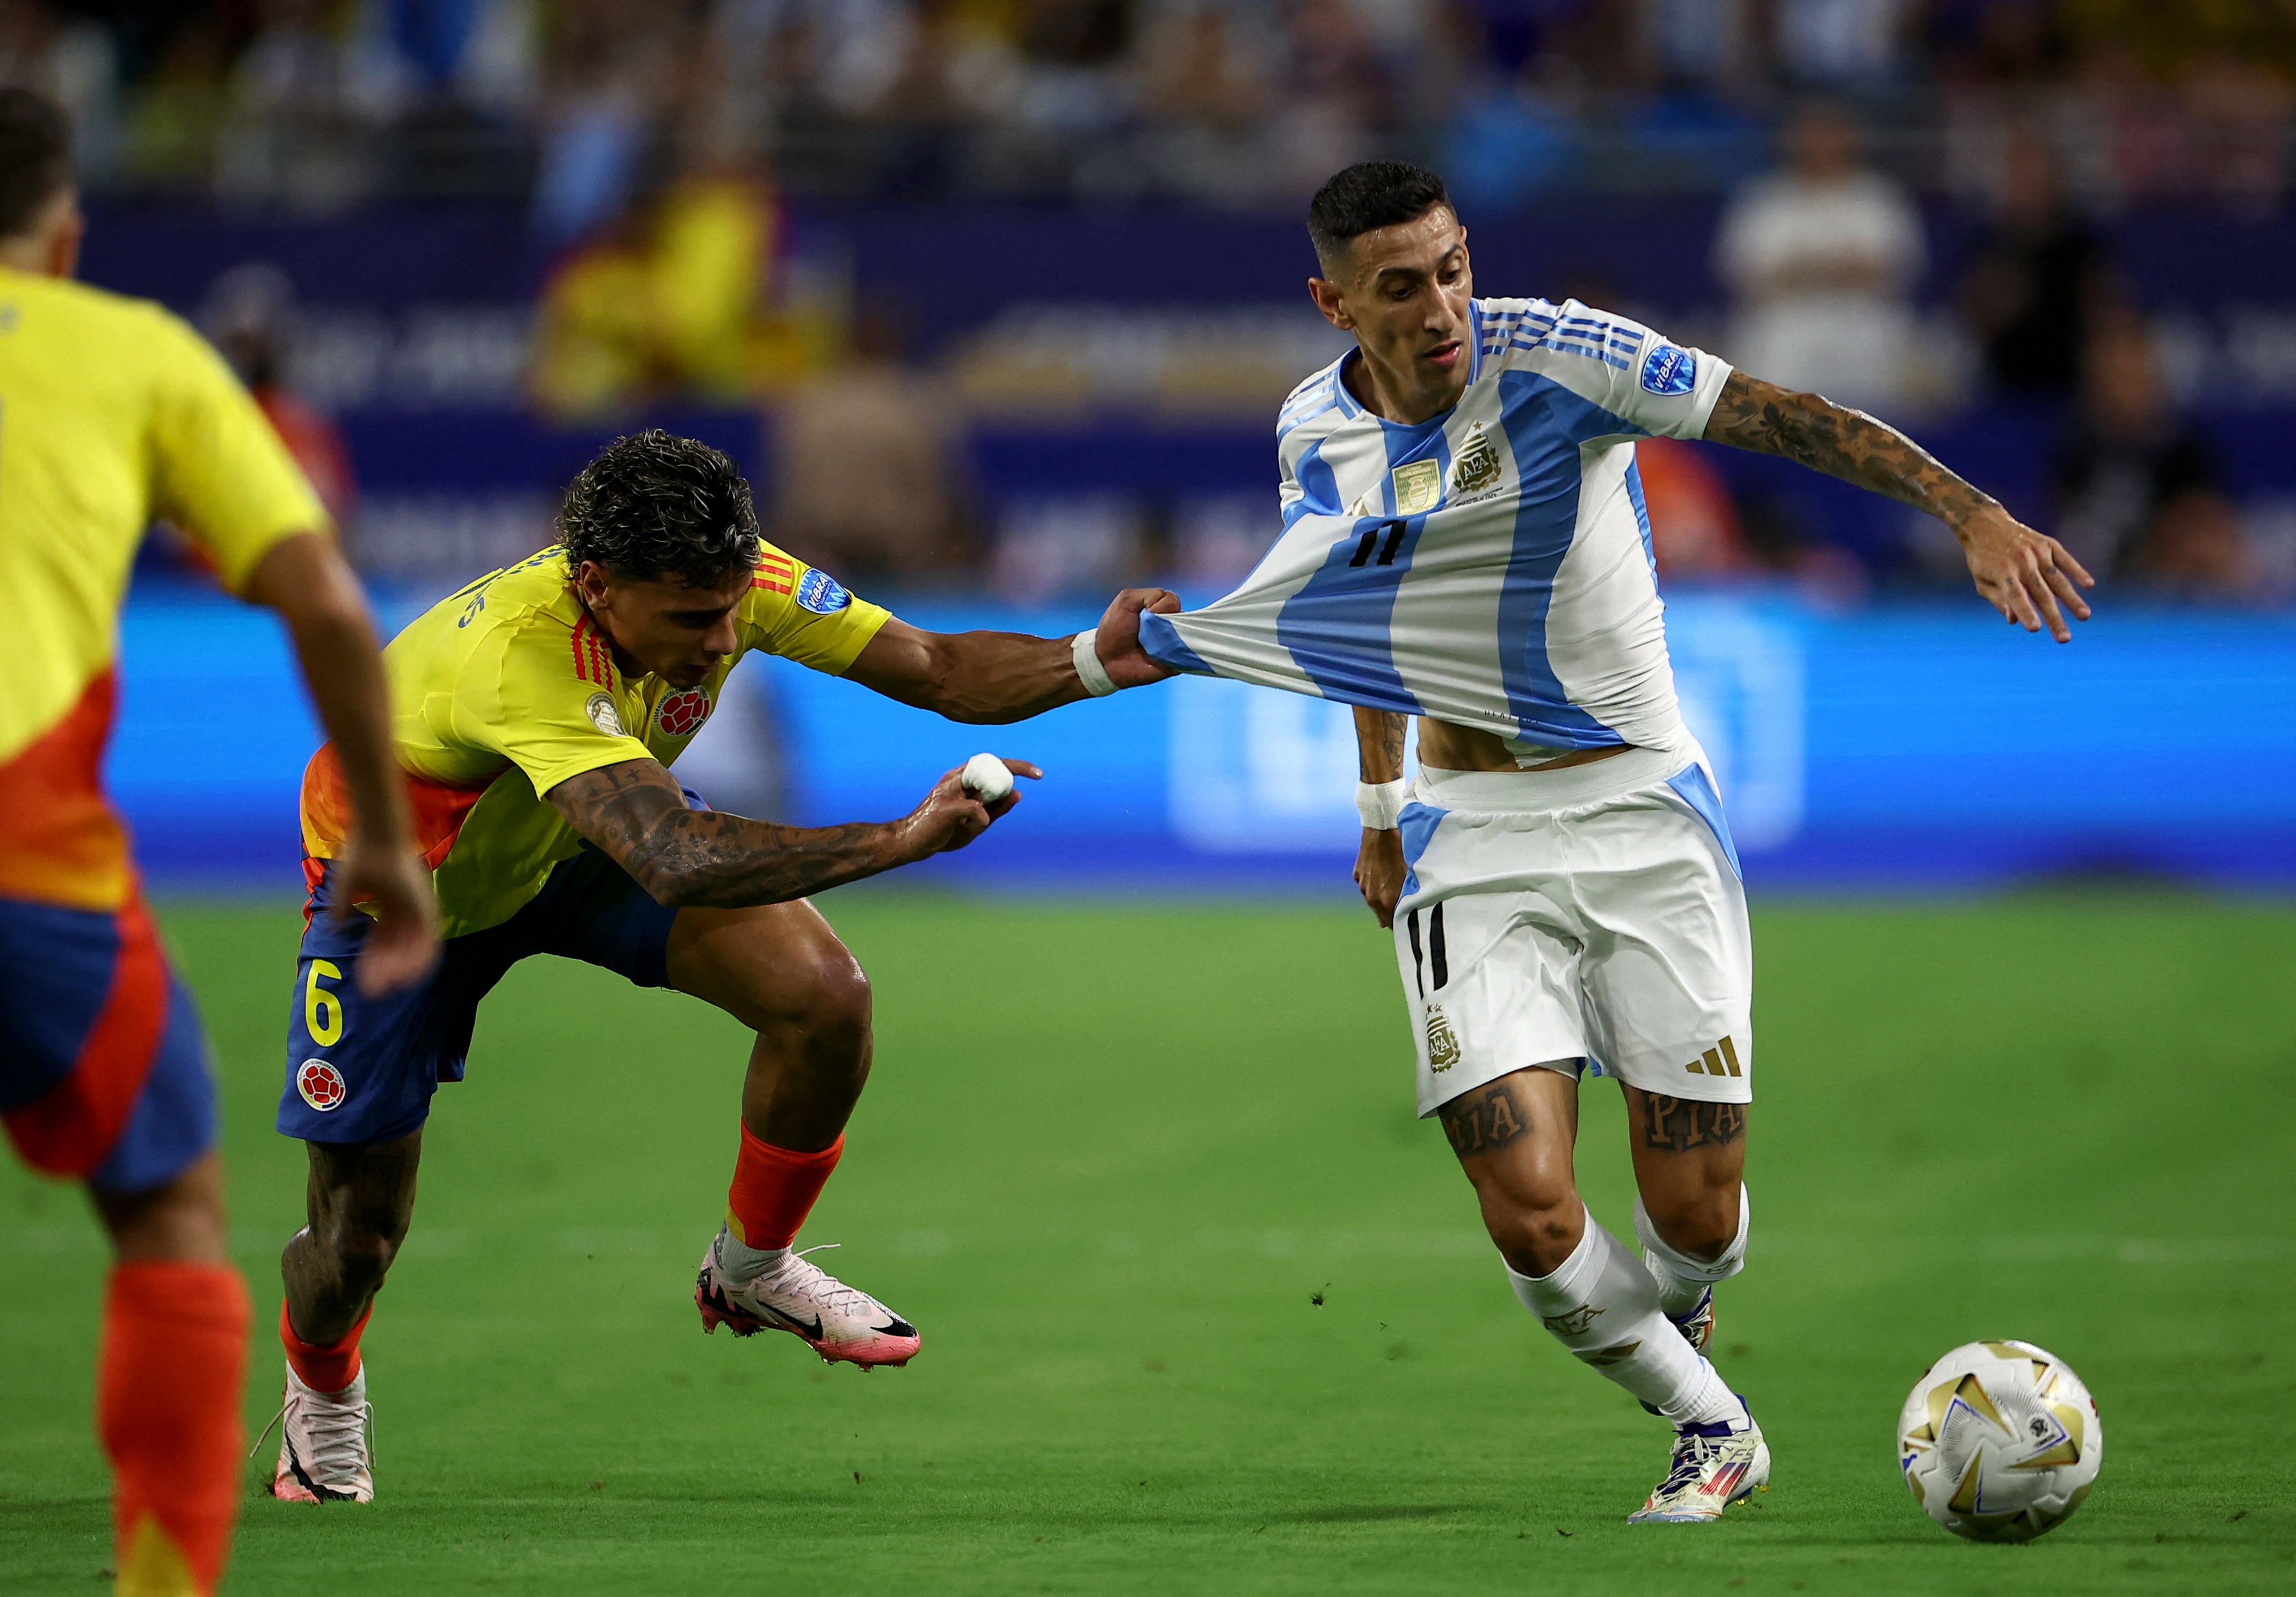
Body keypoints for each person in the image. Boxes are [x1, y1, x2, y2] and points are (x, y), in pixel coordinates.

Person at [1136, 161, 2091, 1523]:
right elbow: (1359, 617)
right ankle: (1709, 1425)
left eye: (1451, 266)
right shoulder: (1311, 430)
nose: (1439, 304)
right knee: (1526, 1206)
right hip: (1467, 835)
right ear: (1333, 303)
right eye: (1397, 287)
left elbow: (1784, 416)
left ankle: (1682, 1313)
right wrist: (1376, 806)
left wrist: (1969, 512)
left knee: (1693, 1214)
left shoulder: (1567, 354)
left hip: (1640, 810)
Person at [263, 427, 1178, 1504]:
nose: (726, 636)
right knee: (354, 1241)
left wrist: (1092, 661)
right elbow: (671, 857)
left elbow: (932, 666)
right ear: (597, 587)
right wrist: (893, 840)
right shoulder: (520, 654)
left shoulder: (742, 577)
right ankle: (320, 1395)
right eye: (696, 620)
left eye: (737, 606)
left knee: (824, 996)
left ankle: (752, 1269)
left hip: (573, 844)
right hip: (408, 902)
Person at [0, 88, 435, 1597]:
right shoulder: (131, 353)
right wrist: (381, 837)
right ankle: (160, 1579)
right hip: (29, 861)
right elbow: (322, 597)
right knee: (170, 1215)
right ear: (65, 228)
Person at [1714, 99, 1926, 412]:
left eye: (1830, 135)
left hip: (1862, 322)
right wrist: (1837, 269)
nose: (1821, 146)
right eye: (1811, 136)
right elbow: (1742, 273)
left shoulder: (1879, 197)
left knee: (1888, 366)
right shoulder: (1762, 199)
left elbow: (1896, 269)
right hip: (1787, 325)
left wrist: (1805, 270)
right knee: (1767, 359)